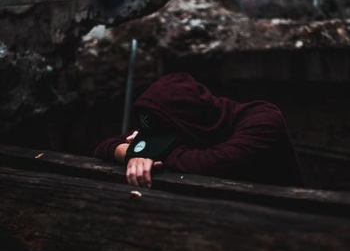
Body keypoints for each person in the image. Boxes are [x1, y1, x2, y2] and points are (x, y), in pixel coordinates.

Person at [94, 72, 303, 188]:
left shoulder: (264, 120)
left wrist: (148, 152)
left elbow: (214, 161)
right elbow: (106, 145)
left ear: (192, 125)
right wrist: (132, 155)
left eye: (167, 138)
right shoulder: (174, 124)